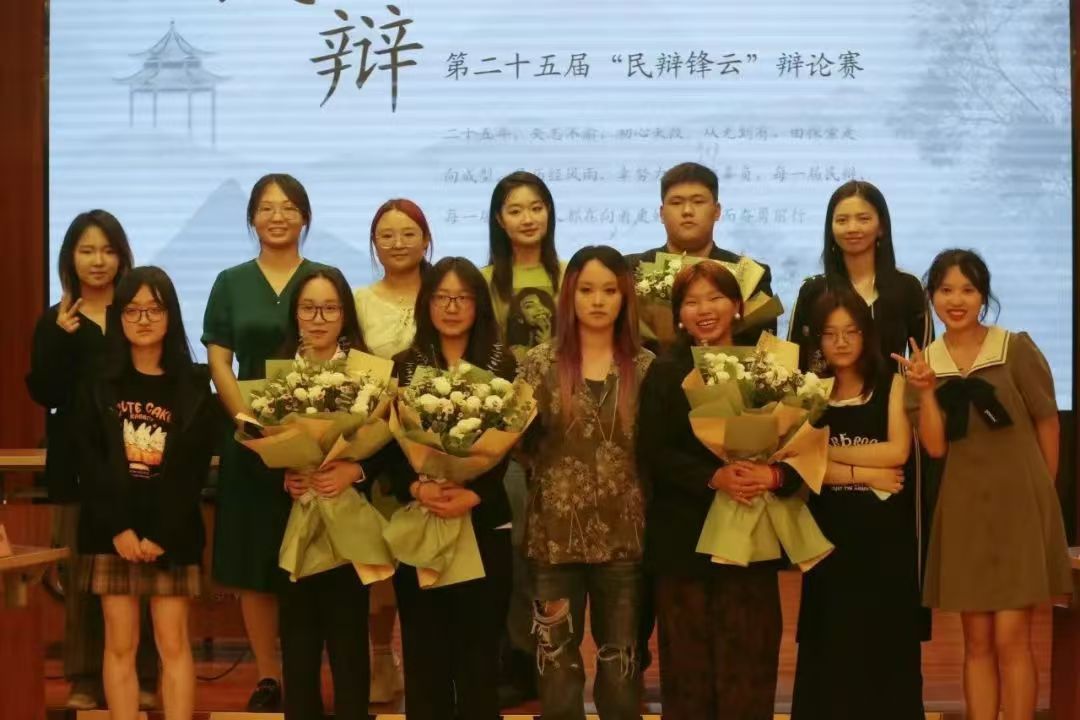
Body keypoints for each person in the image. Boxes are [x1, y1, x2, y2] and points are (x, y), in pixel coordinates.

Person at [903, 249, 1071, 720]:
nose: (956, 300)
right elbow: (934, 446)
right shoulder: (923, 364)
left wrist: (1044, 496)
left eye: (968, 289)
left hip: (1021, 506)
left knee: (1012, 638)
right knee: (976, 642)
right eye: (946, 290)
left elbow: (1048, 422)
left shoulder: (1013, 348)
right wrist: (925, 392)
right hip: (964, 511)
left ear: (983, 296)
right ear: (931, 296)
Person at [636, 261, 807, 720]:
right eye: (691, 302)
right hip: (684, 541)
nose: (704, 310)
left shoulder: (769, 368)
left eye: (715, 298)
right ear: (678, 315)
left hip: (751, 537)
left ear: (737, 306)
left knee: (749, 661)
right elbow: (652, 451)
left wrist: (769, 475)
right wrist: (714, 477)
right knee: (687, 669)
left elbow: (801, 449)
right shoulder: (666, 372)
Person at [25, 210, 160, 710]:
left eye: (107, 250)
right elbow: (46, 392)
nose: (98, 260)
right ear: (71, 259)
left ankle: (143, 675)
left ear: (122, 256)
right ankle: (84, 677)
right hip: (77, 464)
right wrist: (59, 339)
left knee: (140, 570)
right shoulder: (55, 319)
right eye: (87, 251)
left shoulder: (138, 313)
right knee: (81, 575)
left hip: (137, 459)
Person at [202, 173, 326, 711]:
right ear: (252, 218)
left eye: (289, 207)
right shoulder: (230, 282)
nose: (278, 216)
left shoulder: (321, 279)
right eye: (267, 207)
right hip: (249, 442)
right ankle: (269, 675)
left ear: (305, 217)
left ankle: (305, 671)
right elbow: (219, 361)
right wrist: (250, 421)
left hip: (315, 440)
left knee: (310, 558)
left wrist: (306, 430)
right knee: (253, 562)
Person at [517, 245, 653, 720]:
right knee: (556, 659)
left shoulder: (646, 366)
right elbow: (516, 442)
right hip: (553, 537)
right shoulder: (539, 364)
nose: (598, 301)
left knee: (621, 659)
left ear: (625, 297)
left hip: (625, 537)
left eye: (609, 290)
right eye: (587, 290)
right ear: (569, 296)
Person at [76, 266, 216, 720]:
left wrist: (160, 534)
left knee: (173, 643)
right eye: (132, 310)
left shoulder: (193, 385)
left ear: (170, 315)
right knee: (119, 643)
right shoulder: (98, 383)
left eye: (153, 309)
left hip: (172, 535)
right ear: (118, 317)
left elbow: (191, 472)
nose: (143, 319)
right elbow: (89, 465)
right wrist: (119, 528)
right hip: (110, 533)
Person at [387, 256, 515, 719]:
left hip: (482, 523)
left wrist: (475, 491)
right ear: (426, 304)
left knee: (479, 657)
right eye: (442, 297)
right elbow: (387, 447)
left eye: (463, 297)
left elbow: (512, 443)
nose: (452, 307)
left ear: (479, 305)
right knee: (426, 658)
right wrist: (416, 488)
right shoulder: (403, 367)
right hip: (423, 522)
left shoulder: (503, 366)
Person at [790, 289, 926, 719]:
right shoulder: (808, 394)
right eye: (830, 334)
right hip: (827, 541)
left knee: (886, 650)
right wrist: (864, 473)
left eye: (851, 332)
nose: (841, 342)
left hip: (885, 543)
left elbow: (897, 452)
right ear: (818, 340)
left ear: (867, 335)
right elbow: (800, 465)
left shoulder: (892, 384)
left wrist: (823, 453)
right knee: (830, 649)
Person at [277, 266, 387, 720]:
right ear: (295, 314)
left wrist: (355, 470)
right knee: (298, 645)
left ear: (345, 315)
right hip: (295, 521)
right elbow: (255, 437)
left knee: (348, 644)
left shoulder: (367, 372)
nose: (318, 318)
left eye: (329, 308)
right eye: (308, 308)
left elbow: (389, 444)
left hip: (348, 526)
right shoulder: (280, 371)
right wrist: (285, 476)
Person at [482, 171, 565, 705]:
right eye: (515, 209)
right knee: (513, 551)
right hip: (503, 439)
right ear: (499, 219)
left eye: (536, 207)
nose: (528, 218)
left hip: (566, 436)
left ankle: (556, 657)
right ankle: (515, 656)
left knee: (558, 552)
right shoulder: (483, 280)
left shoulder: (573, 276)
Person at [353, 198, 434, 702]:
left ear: (426, 239)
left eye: (409, 233)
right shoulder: (360, 300)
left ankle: (433, 666)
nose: (398, 243)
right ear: (374, 244)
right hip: (377, 445)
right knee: (381, 561)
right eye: (387, 235)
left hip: (441, 445)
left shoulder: (445, 293)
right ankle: (382, 659)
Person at [626, 161, 777, 349]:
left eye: (698, 202)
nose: (687, 211)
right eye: (676, 203)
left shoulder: (751, 274)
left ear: (717, 211)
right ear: (662, 213)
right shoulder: (631, 269)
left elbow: (764, 351)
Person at [788, 180, 932, 374]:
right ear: (831, 229)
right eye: (842, 220)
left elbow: (927, 359)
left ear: (881, 227)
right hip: (825, 394)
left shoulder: (908, 287)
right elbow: (792, 364)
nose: (852, 228)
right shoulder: (813, 290)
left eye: (863, 219)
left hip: (894, 393)